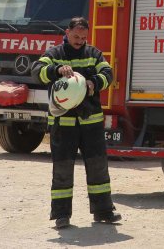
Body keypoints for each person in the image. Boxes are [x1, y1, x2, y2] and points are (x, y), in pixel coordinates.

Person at [31, 16, 121, 229]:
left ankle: (103, 212)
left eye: (83, 37)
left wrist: (94, 82)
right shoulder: (54, 54)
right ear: (67, 32)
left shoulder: (93, 54)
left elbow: (109, 73)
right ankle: (61, 215)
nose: (80, 41)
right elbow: (36, 72)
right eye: (76, 36)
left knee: (98, 168)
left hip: (91, 123)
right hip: (63, 125)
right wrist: (56, 70)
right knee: (62, 169)